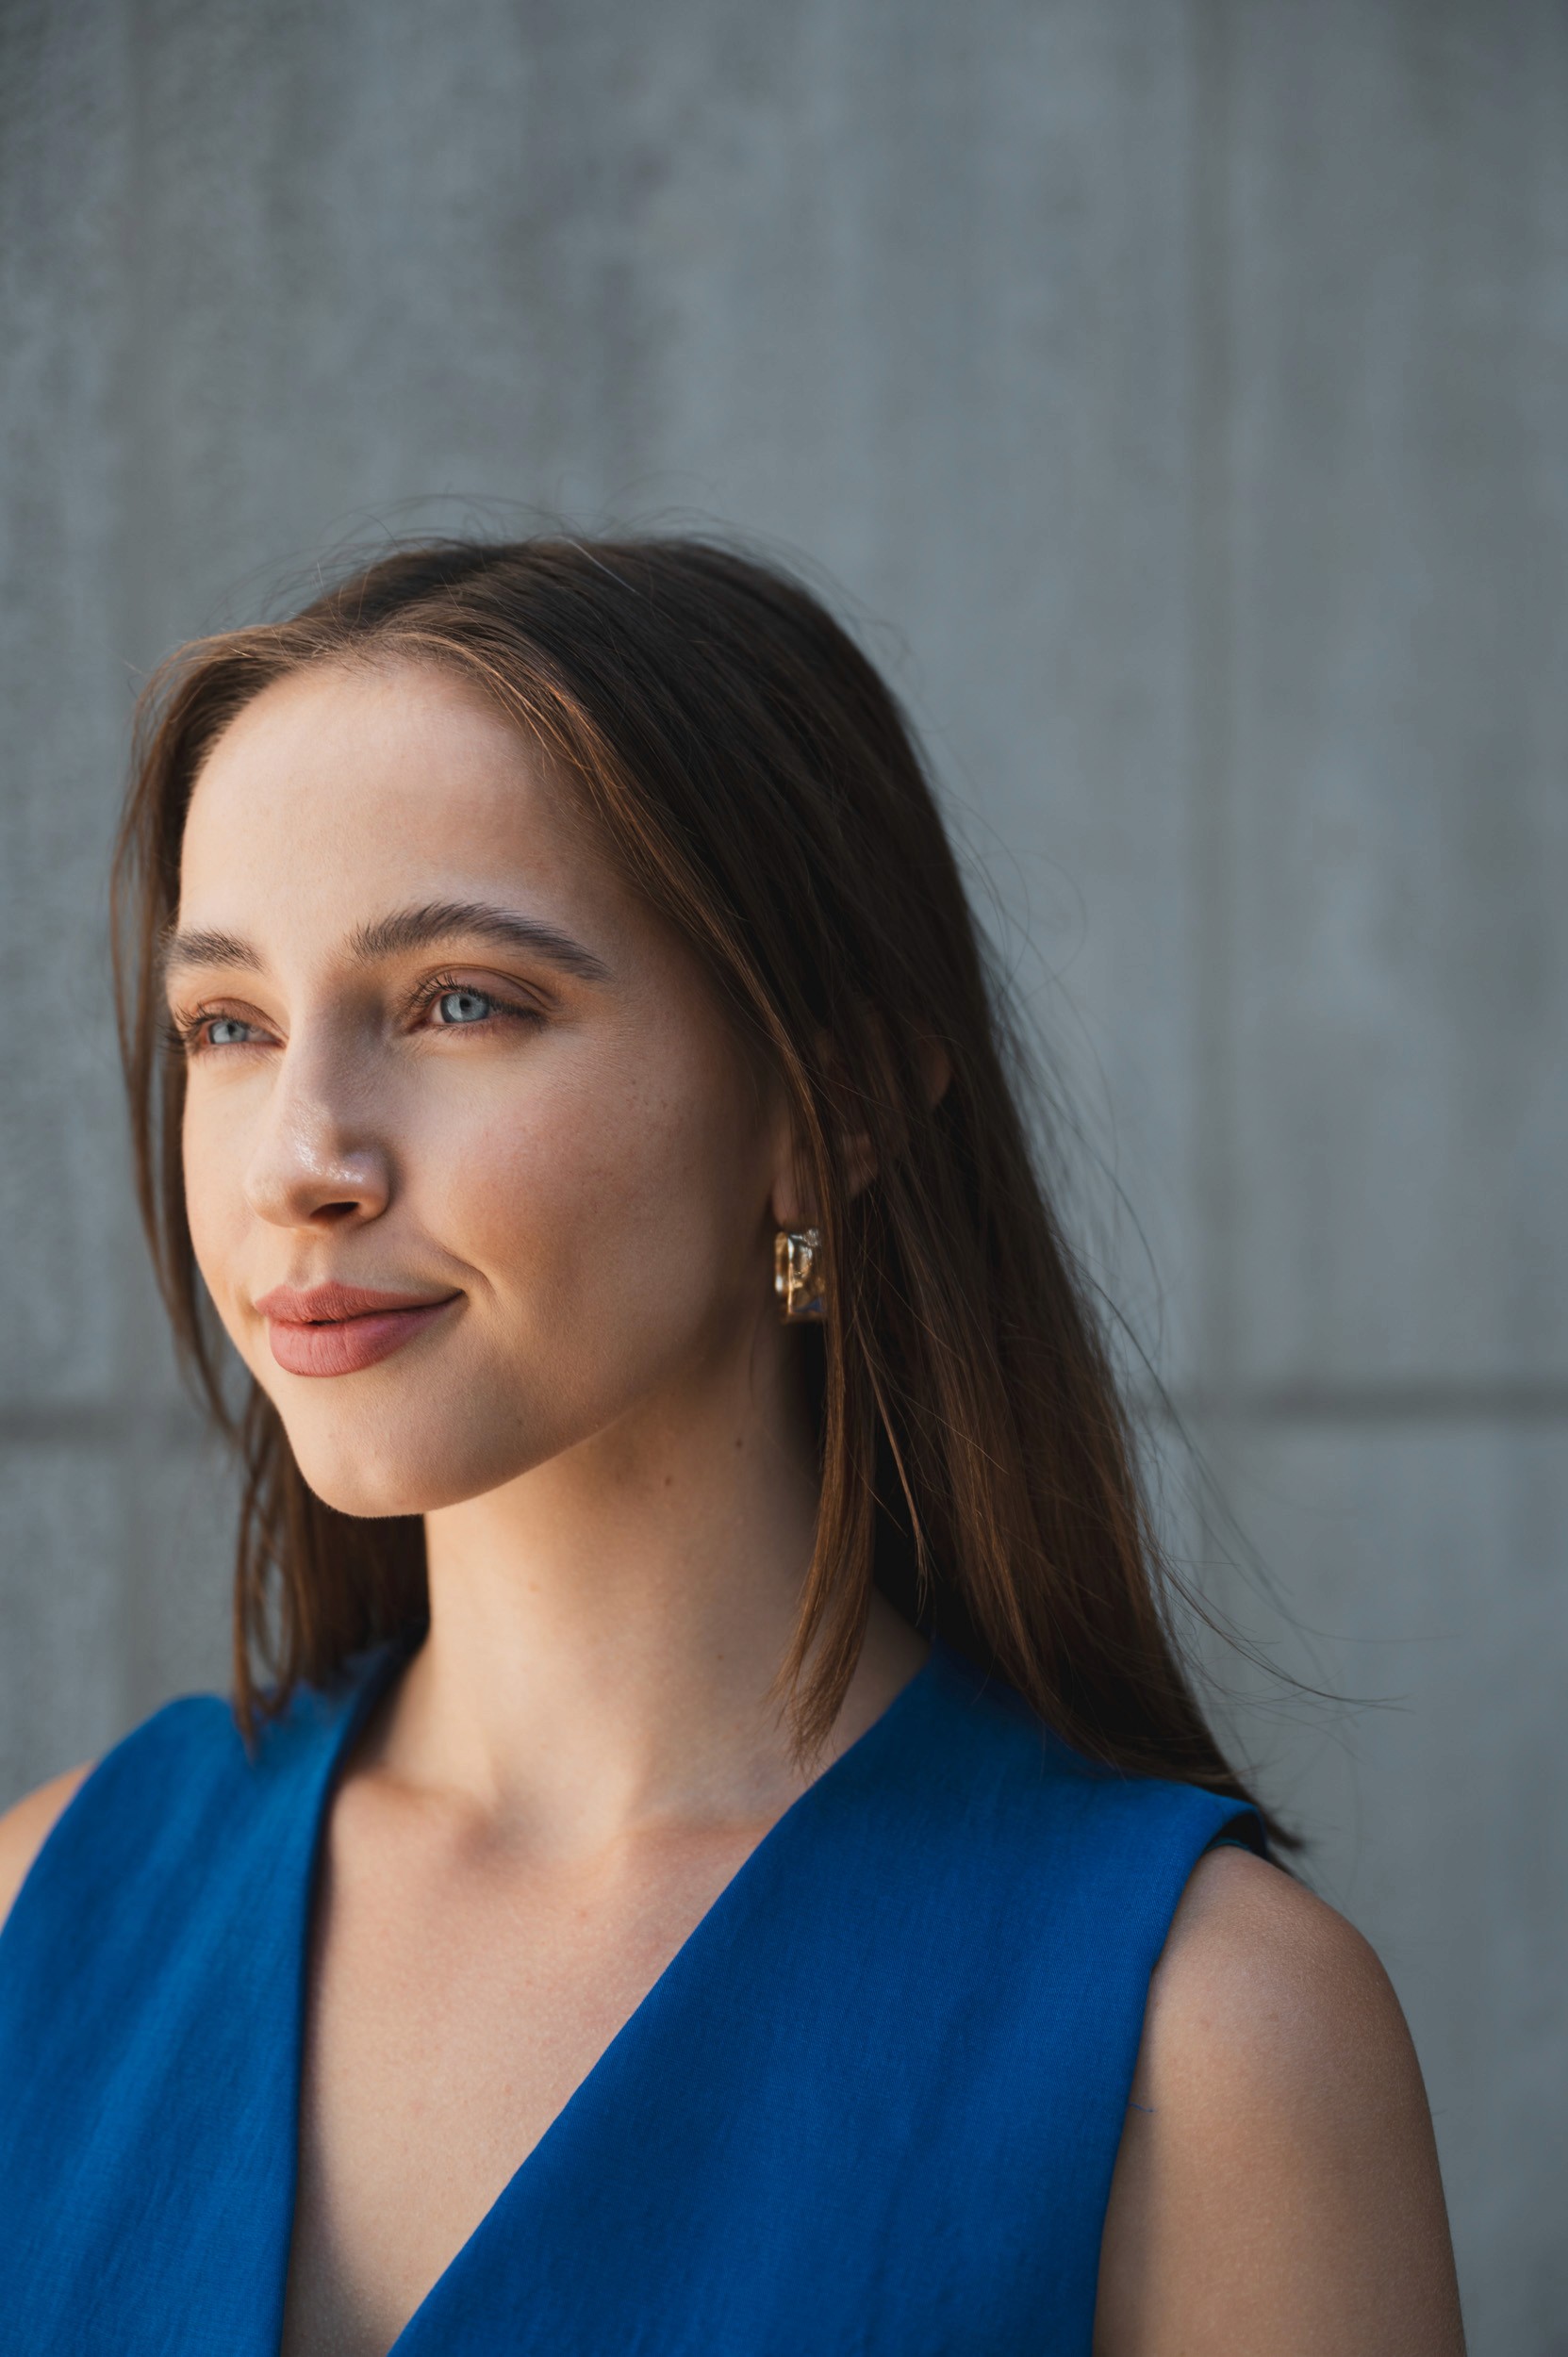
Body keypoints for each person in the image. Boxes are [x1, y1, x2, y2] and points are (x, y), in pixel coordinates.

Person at [0, 540, 1463, 2355]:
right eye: (228, 1025)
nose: (300, 1155)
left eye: (463, 1000)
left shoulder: (1208, 2046)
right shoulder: (42, 1913)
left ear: (826, 1109)